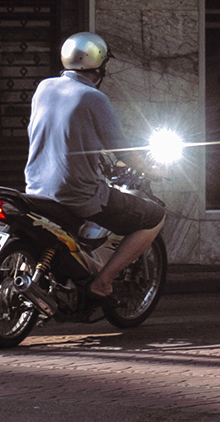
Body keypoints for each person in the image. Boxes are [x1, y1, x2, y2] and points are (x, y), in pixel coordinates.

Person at [25, 31, 164, 310]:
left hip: (36, 188)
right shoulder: (94, 97)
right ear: (99, 65)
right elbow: (121, 151)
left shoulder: (44, 88)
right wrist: (153, 169)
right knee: (154, 216)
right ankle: (103, 282)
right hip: (77, 195)